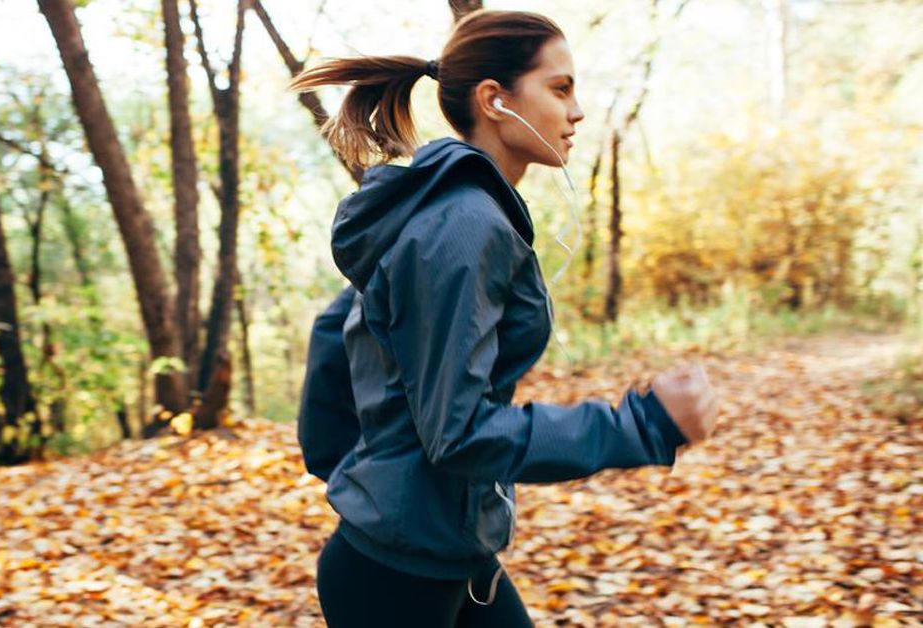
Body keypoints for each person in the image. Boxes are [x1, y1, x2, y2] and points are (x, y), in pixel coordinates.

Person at [289, 9, 721, 628]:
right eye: (560, 88)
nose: (577, 113)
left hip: (445, 553)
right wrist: (642, 426)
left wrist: (367, 477)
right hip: (395, 580)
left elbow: (338, 329)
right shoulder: (464, 225)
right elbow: (459, 432)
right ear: (496, 100)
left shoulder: (437, 206)